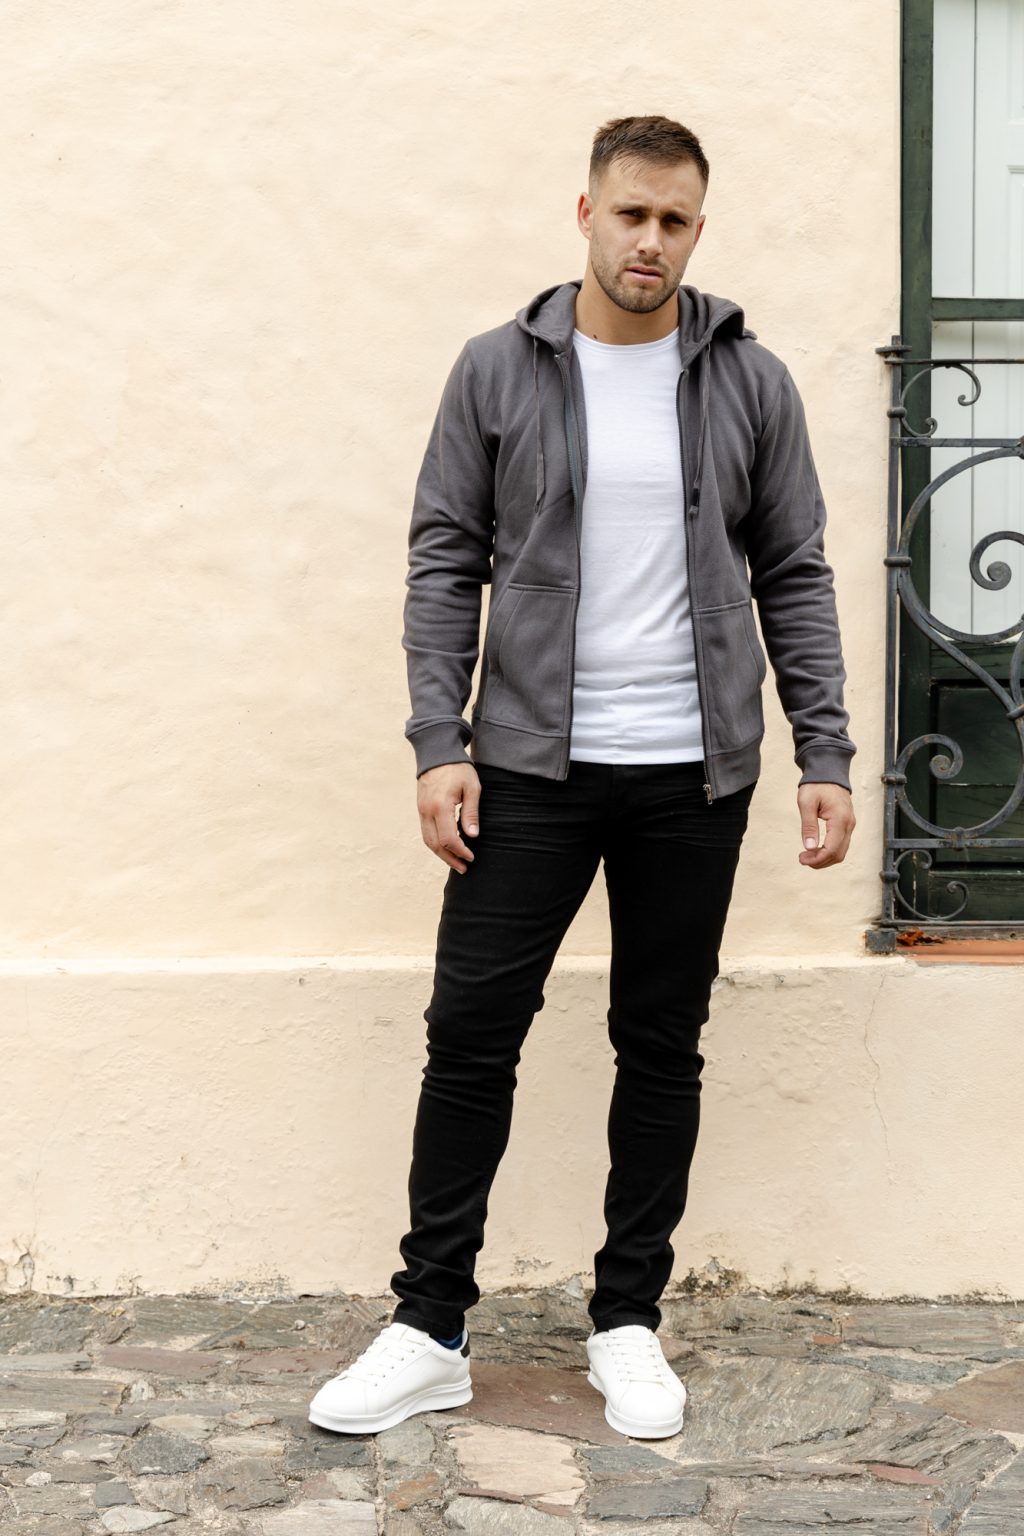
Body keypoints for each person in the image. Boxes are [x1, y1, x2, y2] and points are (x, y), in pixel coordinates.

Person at [309, 113, 856, 1442]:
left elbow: (794, 570)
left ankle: (627, 1321)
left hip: (695, 774)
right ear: (586, 214)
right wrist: (439, 742)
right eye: (630, 214)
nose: (649, 241)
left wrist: (824, 750)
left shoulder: (752, 381)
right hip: (527, 767)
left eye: (674, 220)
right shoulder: (498, 369)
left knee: (659, 1044)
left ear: (698, 231)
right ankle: (430, 1326)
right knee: (471, 1035)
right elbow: (446, 558)